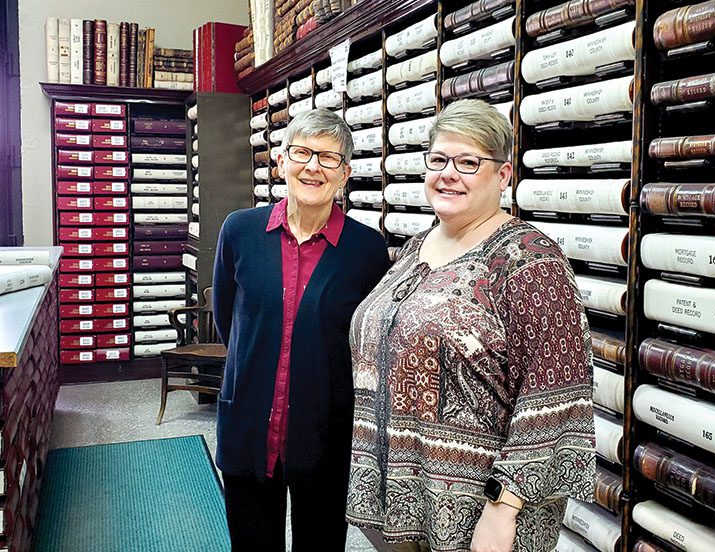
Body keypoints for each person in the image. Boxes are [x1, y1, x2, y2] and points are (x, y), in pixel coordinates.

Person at [346, 99, 596, 552]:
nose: (448, 173)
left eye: (468, 162)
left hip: (480, 517)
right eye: (438, 159)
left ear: (502, 176)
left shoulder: (528, 260)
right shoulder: (415, 248)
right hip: (403, 504)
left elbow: (558, 395)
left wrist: (504, 507)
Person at [212, 108, 390, 551]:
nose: (313, 167)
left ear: (345, 174)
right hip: (250, 422)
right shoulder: (240, 231)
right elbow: (227, 318)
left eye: (329, 158)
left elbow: (366, 346)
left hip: (326, 433)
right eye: (302, 153)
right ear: (280, 162)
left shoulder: (367, 249)